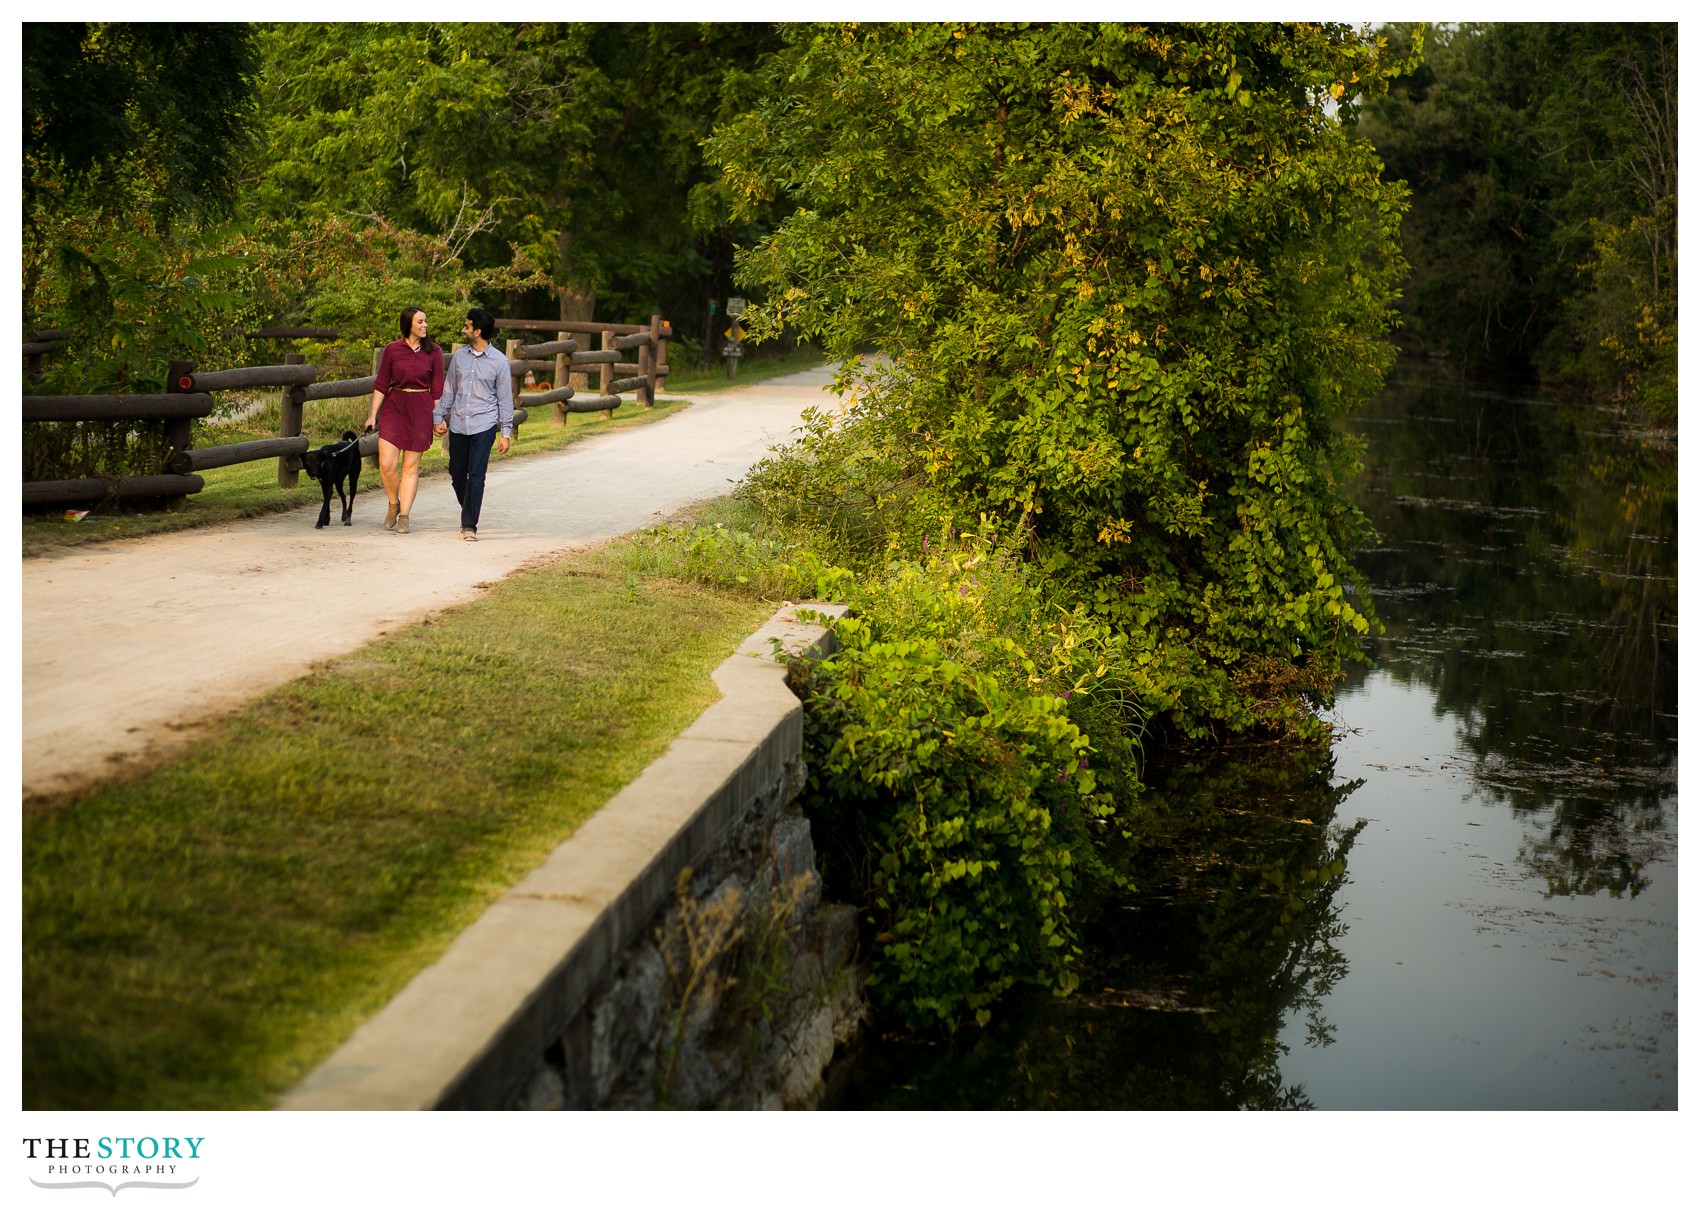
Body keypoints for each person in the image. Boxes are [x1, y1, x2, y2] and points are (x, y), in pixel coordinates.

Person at [433, 307, 514, 541]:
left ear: (477, 331)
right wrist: (439, 417)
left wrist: (505, 433)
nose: (463, 329)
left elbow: (504, 400)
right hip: (458, 424)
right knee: (457, 473)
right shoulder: (459, 357)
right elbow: (449, 391)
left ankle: (469, 525)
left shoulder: (500, 362)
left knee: (476, 474)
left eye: (467, 326)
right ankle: (468, 506)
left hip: (484, 424)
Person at [366, 305, 444, 534]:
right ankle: (393, 503)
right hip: (395, 407)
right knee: (386, 464)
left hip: (421, 409)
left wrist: (438, 419)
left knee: (410, 466)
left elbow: (437, 390)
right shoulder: (392, 350)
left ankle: (405, 516)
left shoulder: (435, 352)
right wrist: (373, 415)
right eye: (420, 322)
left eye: (426, 321)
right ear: (408, 324)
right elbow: (381, 384)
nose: (425, 325)